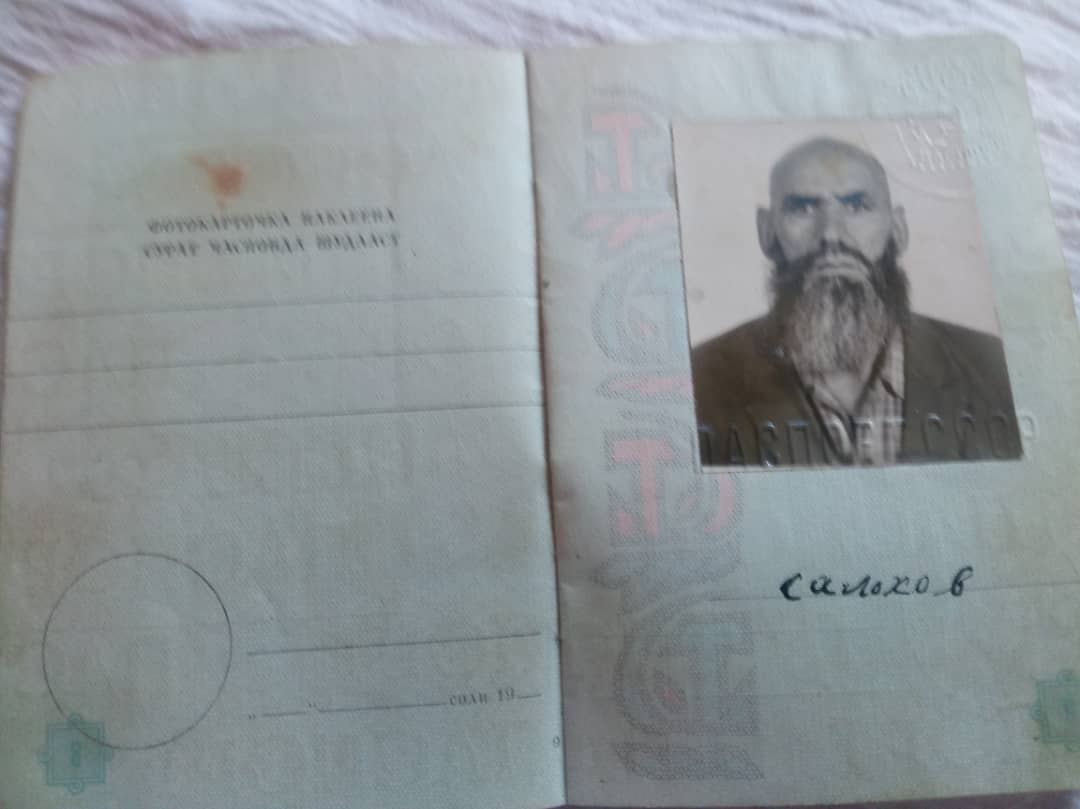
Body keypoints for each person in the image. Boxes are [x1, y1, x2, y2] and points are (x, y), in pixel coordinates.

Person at [691, 137, 1020, 466]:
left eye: (857, 206)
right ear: (767, 231)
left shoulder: (994, 368)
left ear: (898, 228)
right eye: (803, 208)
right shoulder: (700, 378)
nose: (831, 235)